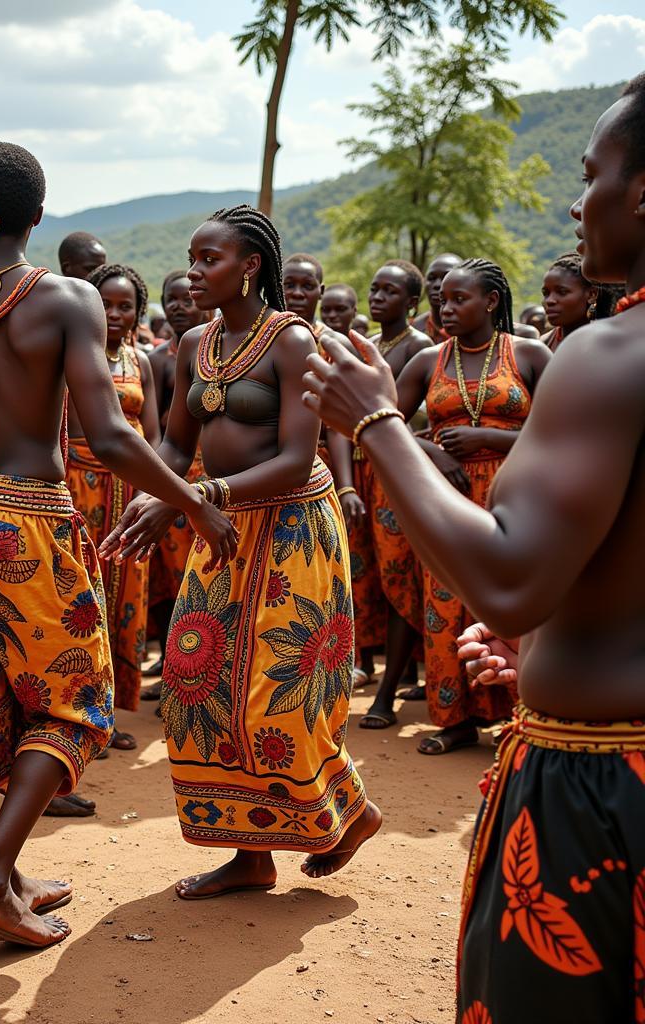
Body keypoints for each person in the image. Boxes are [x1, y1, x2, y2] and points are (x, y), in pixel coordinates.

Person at [302, 73, 645, 1021]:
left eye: (592, 174)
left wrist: (374, 422)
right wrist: (547, 639)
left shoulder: (606, 356)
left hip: (606, 793)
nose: (577, 205)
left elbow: (509, 574)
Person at [0, 142, 235, 948]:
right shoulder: (68, 299)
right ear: (39, 214)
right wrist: (192, 503)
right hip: (26, 520)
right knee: (78, 700)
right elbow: (106, 434)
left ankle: (4, 874)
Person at [102, 204, 381, 898]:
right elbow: (173, 443)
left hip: (290, 531)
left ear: (250, 266)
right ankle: (250, 856)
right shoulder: (193, 343)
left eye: (210, 260)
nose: (195, 274)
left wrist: (199, 498)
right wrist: (161, 495)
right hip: (219, 529)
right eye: (193, 259)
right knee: (198, 688)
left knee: (280, 695)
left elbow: (295, 457)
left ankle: (351, 810)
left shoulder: (293, 341)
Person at [380, 259, 551, 754]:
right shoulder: (427, 361)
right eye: (443, 300)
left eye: (460, 299)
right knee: (445, 604)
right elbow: (381, 417)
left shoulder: (530, 354)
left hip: (516, 495)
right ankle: (454, 719)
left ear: (492, 301)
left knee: (515, 599)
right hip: (448, 498)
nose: (446, 307)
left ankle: (523, 716)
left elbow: (567, 431)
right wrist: (432, 449)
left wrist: (488, 439)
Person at [66, 263, 160, 750]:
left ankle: (108, 715)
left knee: (125, 597)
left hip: (132, 491)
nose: (116, 313)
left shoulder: (141, 362)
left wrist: (155, 491)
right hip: (79, 486)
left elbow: (157, 434)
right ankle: (80, 712)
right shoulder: (70, 356)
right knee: (83, 599)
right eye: (106, 304)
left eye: (126, 305)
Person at [345, 261, 432, 725]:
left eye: (390, 291)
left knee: (399, 578)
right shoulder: (372, 346)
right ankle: (365, 668)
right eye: (374, 289)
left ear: (412, 303)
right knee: (364, 578)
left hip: (391, 475)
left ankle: (387, 697)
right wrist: (344, 484)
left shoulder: (418, 349)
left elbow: (389, 421)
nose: (377, 298)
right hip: (360, 476)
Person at [143, 270, 210, 686]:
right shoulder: (158, 360)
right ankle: (177, 664)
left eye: (187, 299)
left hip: (218, 478)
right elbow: (168, 434)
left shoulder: (216, 347)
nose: (179, 306)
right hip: (174, 475)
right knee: (175, 575)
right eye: (172, 299)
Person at [539, 251, 598, 351]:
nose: (549, 301)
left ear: (592, 295)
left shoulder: (607, 342)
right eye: (546, 293)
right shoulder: (542, 345)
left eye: (562, 292)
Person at [282, 252, 324, 324]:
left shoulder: (330, 335)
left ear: (321, 291)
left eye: (308, 286)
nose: (297, 293)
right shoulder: (260, 333)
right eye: (289, 285)